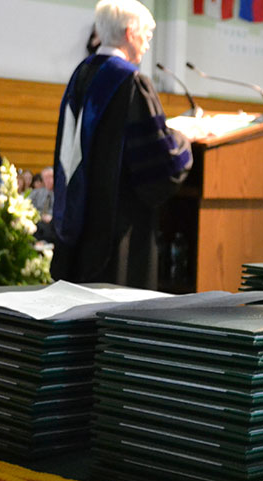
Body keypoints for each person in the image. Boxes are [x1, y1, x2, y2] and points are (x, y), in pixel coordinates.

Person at [50, 0, 192, 289]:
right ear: (130, 33)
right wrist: (183, 140)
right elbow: (160, 164)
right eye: (146, 35)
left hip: (81, 220)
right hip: (119, 229)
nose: (147, 44)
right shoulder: (130, 81)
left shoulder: (81, 74)